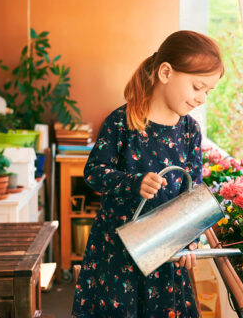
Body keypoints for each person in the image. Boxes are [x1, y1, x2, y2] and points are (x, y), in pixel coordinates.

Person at [71, 30, 224, 317]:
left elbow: (191, 194)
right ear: (166, 72)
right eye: (197, 87)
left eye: (208, 91)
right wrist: (133, 183)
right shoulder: (120, 122)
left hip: (165, 257)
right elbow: (93, 173)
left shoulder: (190, 130)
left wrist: (190, 242)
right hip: (116, 255)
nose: (202, 98)